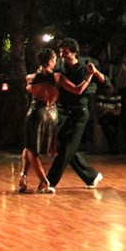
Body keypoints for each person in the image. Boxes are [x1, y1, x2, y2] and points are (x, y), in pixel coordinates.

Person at [18, 48, 93, 194]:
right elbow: (78, 90)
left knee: (31, 148)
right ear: (52, 61)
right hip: (52, 114)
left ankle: (41, 180)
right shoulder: (58, 77)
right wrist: (89, 76)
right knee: (30, 147)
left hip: (36, 112)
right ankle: (26, 176)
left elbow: (31, 89)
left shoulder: (30, 77)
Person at [46, 38, 106, 190]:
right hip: (66, 113)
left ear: (74, 53)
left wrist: (92, 74)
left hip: (80, 113)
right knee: (64, 145)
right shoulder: (62, 70)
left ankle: (49, 182)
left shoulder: (83, 69)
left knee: (67, 148)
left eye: (65, 52)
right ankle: (91, 176)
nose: (62, 55)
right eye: (60, 52)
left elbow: (80, 90)